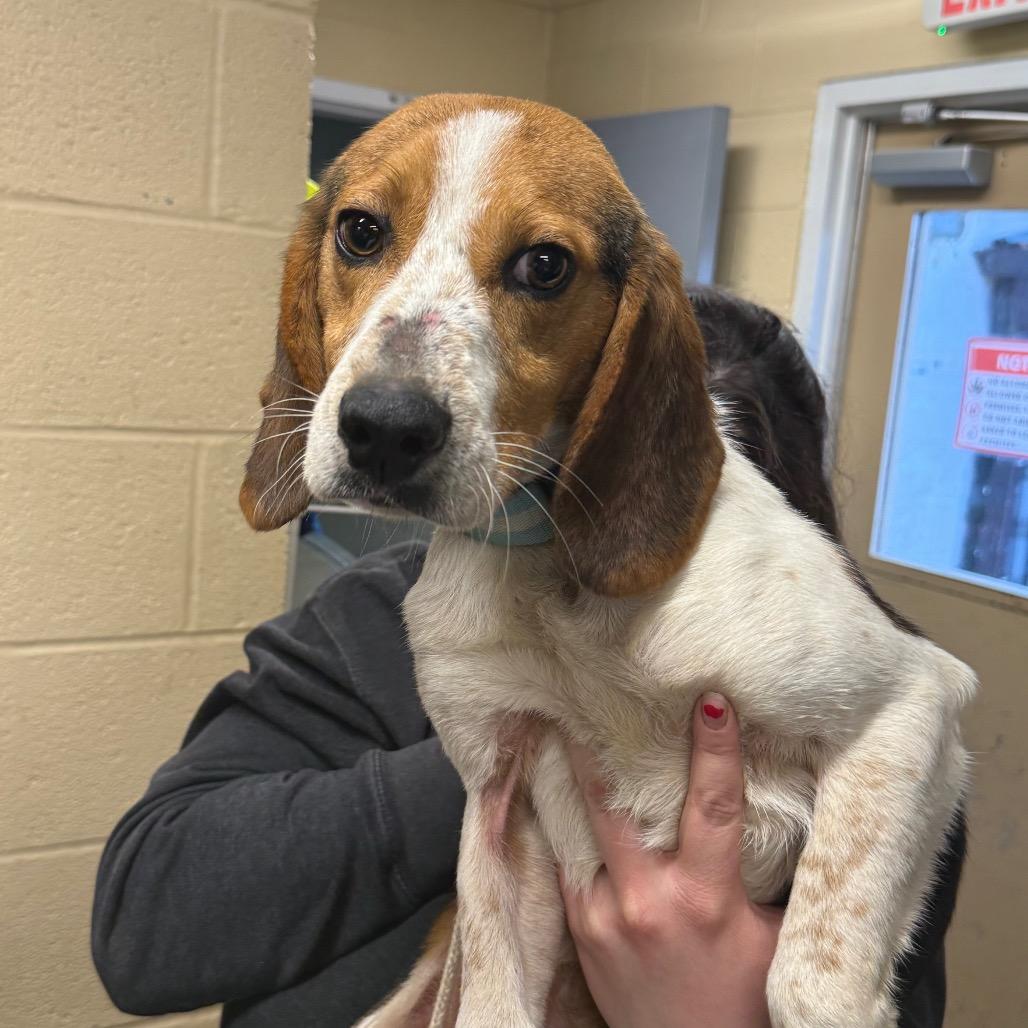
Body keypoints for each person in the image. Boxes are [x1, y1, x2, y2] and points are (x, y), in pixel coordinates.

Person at [92, 292, 966, 1027]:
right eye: (602, 479)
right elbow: (144, 924)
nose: (640, 551)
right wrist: (512, 750)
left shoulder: (856, 723)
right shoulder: (375, 616)